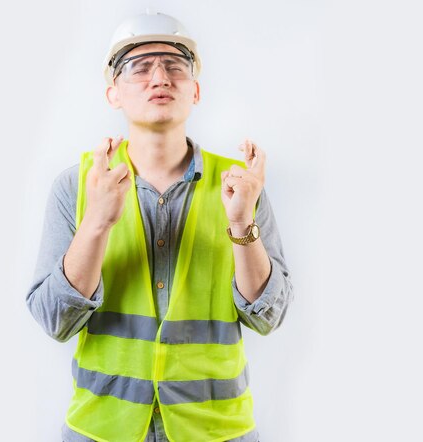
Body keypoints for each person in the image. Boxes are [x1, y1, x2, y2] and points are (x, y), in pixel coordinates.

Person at [26, 11, 294, 442]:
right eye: (139, 66)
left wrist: (242, 222)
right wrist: (96, 223)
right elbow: (55, 321)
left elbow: (269, 318)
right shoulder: (76, 186)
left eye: (175, 65)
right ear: (113, 93)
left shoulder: (240, 186)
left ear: (196, 90)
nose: (159, 77)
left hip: (215, 433)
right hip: (102, 431)